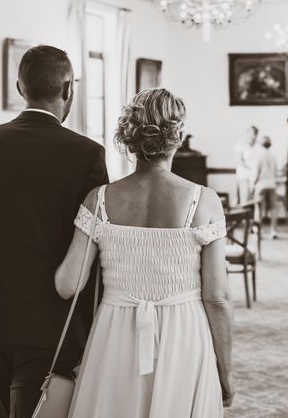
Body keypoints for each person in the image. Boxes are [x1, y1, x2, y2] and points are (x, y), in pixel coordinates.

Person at [0, 45, 109, 418]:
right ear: (68, 89)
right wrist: (93, 329)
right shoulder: (87, 155)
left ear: (20, 88)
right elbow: (95, 248)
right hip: (53, 325)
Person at [55, 88, 234, 418]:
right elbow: (217, 298)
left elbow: (68, 284)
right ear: (176, 136)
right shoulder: (204, 200)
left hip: (115, 334)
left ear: (130, 137)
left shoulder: (99, 199)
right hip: (184, 334)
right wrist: (225, 371)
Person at [252, 136, 278, 239]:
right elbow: (275, 171)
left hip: (261, 185)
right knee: (273, 209)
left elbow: (256, 172)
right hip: (271, 184)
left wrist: (253, 185)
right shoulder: (273, 156)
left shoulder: (259, 156)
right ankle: (273, 231)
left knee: (258, 208)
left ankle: (258, 232)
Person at [234, 125, 259, 203]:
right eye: (251, 133)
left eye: (255, 134)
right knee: (244, 198)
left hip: (255, 176)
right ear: (247, 133)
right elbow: (239, 160)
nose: (252, 135)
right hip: (244, 175)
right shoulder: (241, 144)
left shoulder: (258, 145)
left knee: (253, 199)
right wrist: (251, 167)